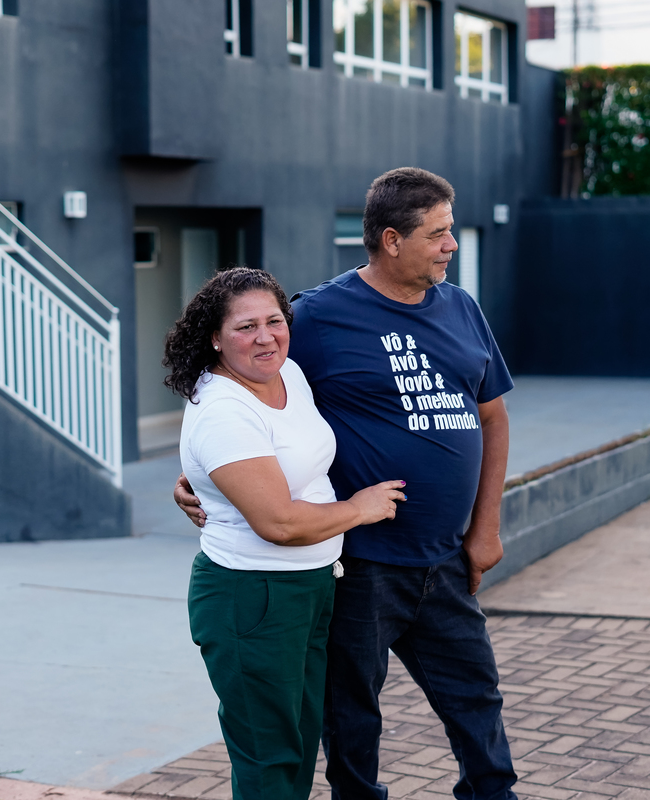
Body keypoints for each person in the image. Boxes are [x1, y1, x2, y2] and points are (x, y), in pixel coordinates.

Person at [176, 168, 518, 800]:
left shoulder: (463, 308)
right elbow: (240, 380)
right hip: (360, 563)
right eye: (438, 233)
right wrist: (202, 476)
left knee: (477, 697)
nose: (451, 244)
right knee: (349, 715)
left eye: (451, 231)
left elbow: (492, 416)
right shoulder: (317, 316)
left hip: (445, 557)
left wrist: (486, 528)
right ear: (391, 239)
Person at [164, 266, 407, 800]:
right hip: (253, 594)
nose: (265, 337)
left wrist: (201, 479)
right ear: (215, 337)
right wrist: (359, 508)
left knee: (296, 741)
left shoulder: (287, 375)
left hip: (310, 585)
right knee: (268, 756)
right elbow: (278, 523)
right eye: (246, 326)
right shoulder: (224, 410)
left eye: (274, 321)